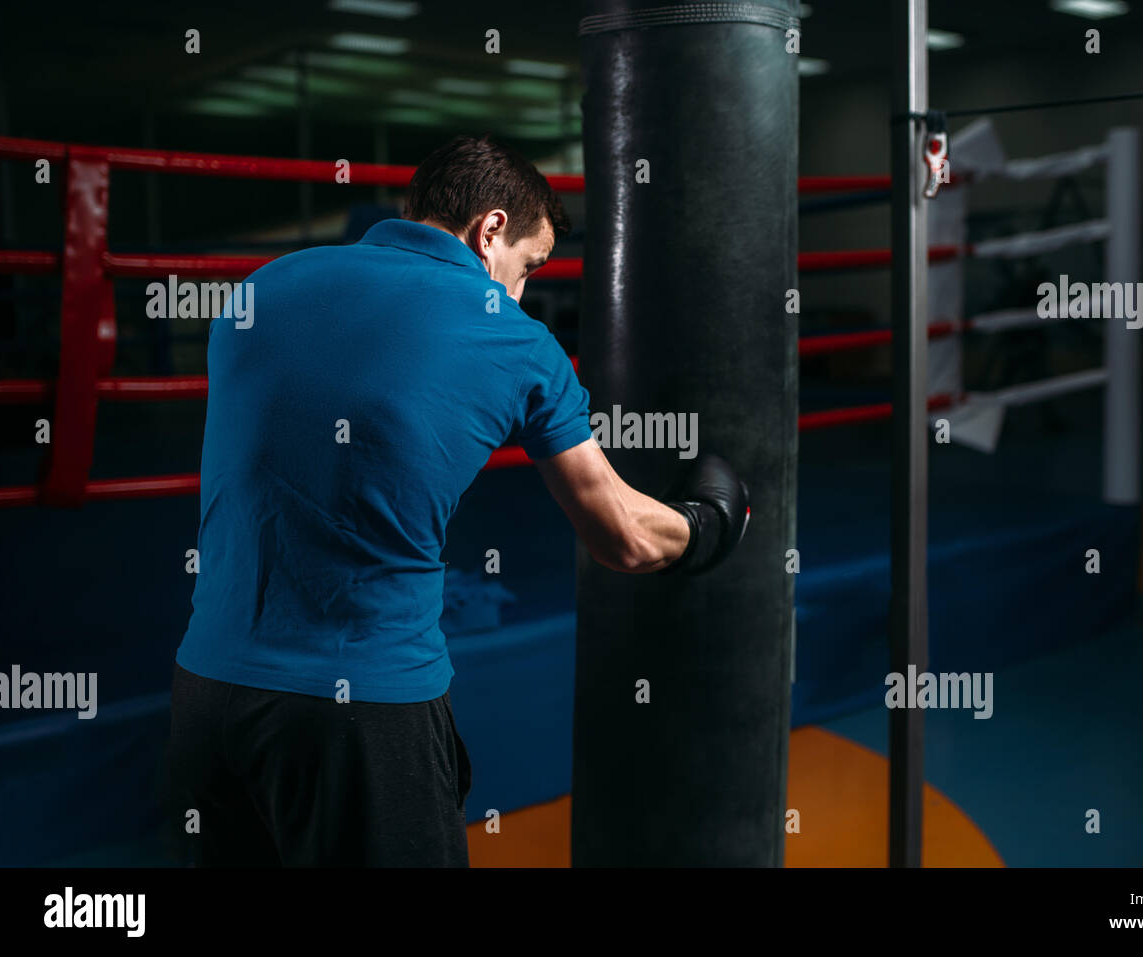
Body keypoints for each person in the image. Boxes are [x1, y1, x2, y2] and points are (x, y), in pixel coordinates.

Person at [160, 134, 749, 867]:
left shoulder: (261, 286)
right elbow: (623, 535)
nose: (523, 292)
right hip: (363, 711)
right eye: (528, 267)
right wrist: (708, 525)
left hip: (204, 696)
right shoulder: (512, 338)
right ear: (490, 229)